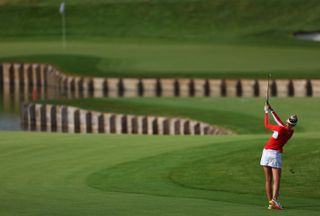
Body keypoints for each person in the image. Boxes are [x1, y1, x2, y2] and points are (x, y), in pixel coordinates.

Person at [260, 102, 298, 210]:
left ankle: (270, 203)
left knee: (268, 179)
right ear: (294, 124)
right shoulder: (291, 132)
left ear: (287, 121)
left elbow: (267, 125)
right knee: (276, 180)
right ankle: (274, 201)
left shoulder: (281, 129)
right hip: (274, 154)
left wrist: (266, 112)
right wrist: (271, 110)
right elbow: (280, 122)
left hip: (265, 152)